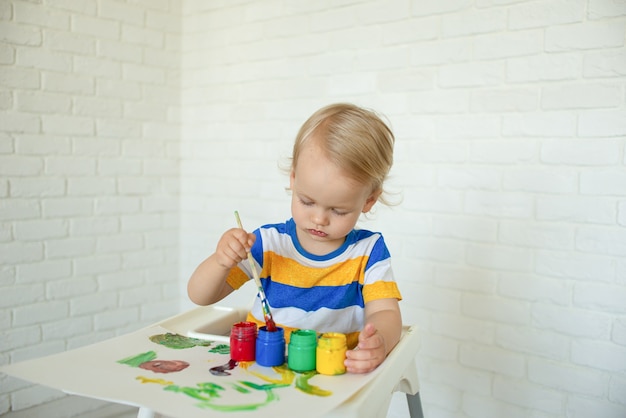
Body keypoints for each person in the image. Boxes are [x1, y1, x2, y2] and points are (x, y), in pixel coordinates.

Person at [187, 103, 402, 374]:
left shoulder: (369, 252)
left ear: (369, 200)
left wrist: (379, 342)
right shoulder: (268, 243)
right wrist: (220, 261)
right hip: (259, 370)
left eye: (338, 210)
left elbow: (386, 313)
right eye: (307, 201)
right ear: (293, 179)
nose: (319, 219)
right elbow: (199, 295)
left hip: (330, 378)